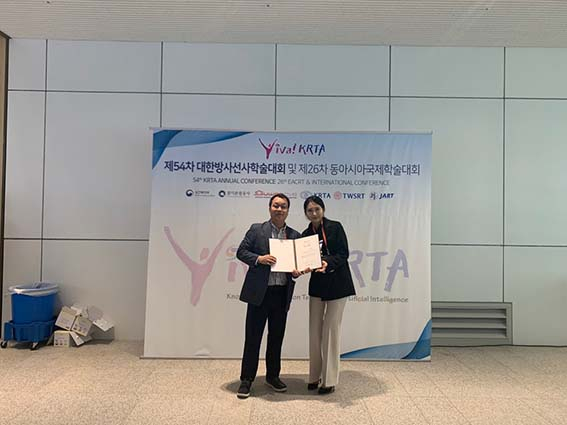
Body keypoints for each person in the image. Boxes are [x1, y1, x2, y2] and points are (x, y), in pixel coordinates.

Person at [236, 193, 301, 399]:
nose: (279, 209)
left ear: (288, 210)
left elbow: (297, 264)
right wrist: (259, 259)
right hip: (260, 294)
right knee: (252, 337)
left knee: (276, 337)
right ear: (269, 207)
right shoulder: (257, 229)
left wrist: (297, 271)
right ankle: (247, 379)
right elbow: (241, 252)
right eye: (276, 205)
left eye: (283, 206)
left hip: (281, 293)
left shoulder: (294, 235)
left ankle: (273, 376)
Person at [301, 195, 356, 395]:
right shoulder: (305, 235)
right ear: (306, 213)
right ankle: (314, 376)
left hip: (338, 284)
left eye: (317, 209)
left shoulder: (335, 227)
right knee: (314, 332)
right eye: (310, 210)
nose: (314, 213)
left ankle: (329, 380)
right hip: (317, 286)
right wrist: (298, 268)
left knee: (331, 331)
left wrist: (327, 263)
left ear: (323, 209)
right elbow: (303, 260)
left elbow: (343, 254)